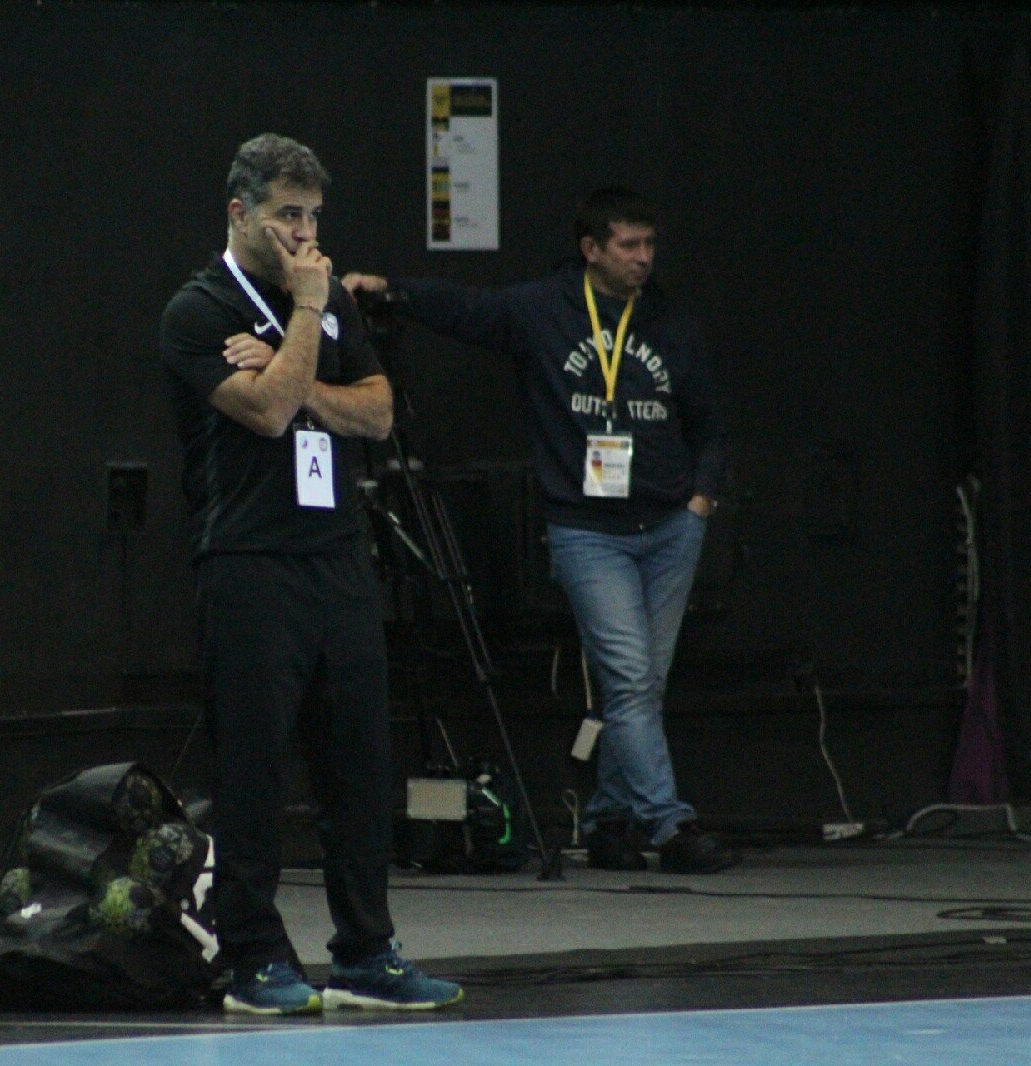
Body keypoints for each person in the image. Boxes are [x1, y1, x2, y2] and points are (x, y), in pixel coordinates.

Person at [342, 187, 739, 874]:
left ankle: (611, 822)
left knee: (640, 686)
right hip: (588, 530)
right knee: (630, 676)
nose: (644, 258)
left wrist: (700, 501)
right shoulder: (544, 310)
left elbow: (707, 423)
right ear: (591, 250)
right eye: (629, 246)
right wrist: (392, 290)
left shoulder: (670, 322)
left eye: (649, 245)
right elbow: (468, 310)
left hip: (670, 526)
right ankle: (669, 824)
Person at [159, 133, 462, 1014]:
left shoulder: (328, 305)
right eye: (286, 215)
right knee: (254, 770)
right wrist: (302, 319)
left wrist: (302, 375)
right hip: (250, 564)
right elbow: (263, 412)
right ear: (239, 212)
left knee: (358, 768)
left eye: (314, 217)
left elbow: (379, 413)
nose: (304, 234)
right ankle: (254, 957)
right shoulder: (198, 309)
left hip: (337, 560)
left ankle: (366, 952)